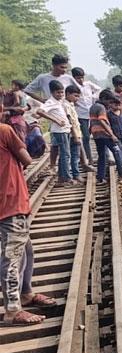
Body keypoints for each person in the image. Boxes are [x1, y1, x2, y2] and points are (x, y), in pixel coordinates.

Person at [0, 93, 54, 325]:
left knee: (26, 251)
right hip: (11, 201)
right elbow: (27, 159)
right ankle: (12, 309)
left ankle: (26, 292)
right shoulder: (4, 131)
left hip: (7, 203)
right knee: (12, 258)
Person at [36, 80, 73, 184]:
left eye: (62, 92)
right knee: (66, 154)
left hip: (64, 130)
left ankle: (62, 177)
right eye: (58, 92)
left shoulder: (58, 101)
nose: (61, 94)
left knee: (64, 154)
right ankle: (66, 178)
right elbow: (39, 111)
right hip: (59, 131)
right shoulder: (50, 102)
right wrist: (55, 120)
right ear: (52, 92)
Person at [89, 101, 122, 184]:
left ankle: (101, 177)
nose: (110, 105)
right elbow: (101, 121)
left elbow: (92, 121)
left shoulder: (92, 107)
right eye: (109, 101)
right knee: (117, 152)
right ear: (105, 99)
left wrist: (90, 132)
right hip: (104, 134)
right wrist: (112, 135)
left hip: (96, 134)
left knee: (102, 155)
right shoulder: (102, 107)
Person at [70, 67, 102, 170]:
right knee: (86, 137)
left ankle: (104, 156)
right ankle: (89, 158)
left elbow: (98, 89)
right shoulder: (72, 87)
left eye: (82, 77)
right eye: (78, 78)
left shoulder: (88, 84)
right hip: (81, 115)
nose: (81, 80)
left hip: (92, 114)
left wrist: (93, 97)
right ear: (74, 78)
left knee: (99, 135)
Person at [102, 94, 122, 183]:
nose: (117, 106)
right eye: (115, 104)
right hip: (116, 138)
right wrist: (112, 135)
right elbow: (107, 126)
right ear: (110, 104)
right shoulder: (108, 114)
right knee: (119, 156)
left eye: (119, 104)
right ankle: (121, 175)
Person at [63, 85, 83, 184]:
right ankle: (74, 175)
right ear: (68, 94)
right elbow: (70, 121)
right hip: (72, 135)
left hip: (76, 134)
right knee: (73, 156)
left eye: (78, 96)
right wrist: (75, 136)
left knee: (75, 155)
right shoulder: (66, 105)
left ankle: (74, 175)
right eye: (75, 96)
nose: (77, 98)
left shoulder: (70, 104)